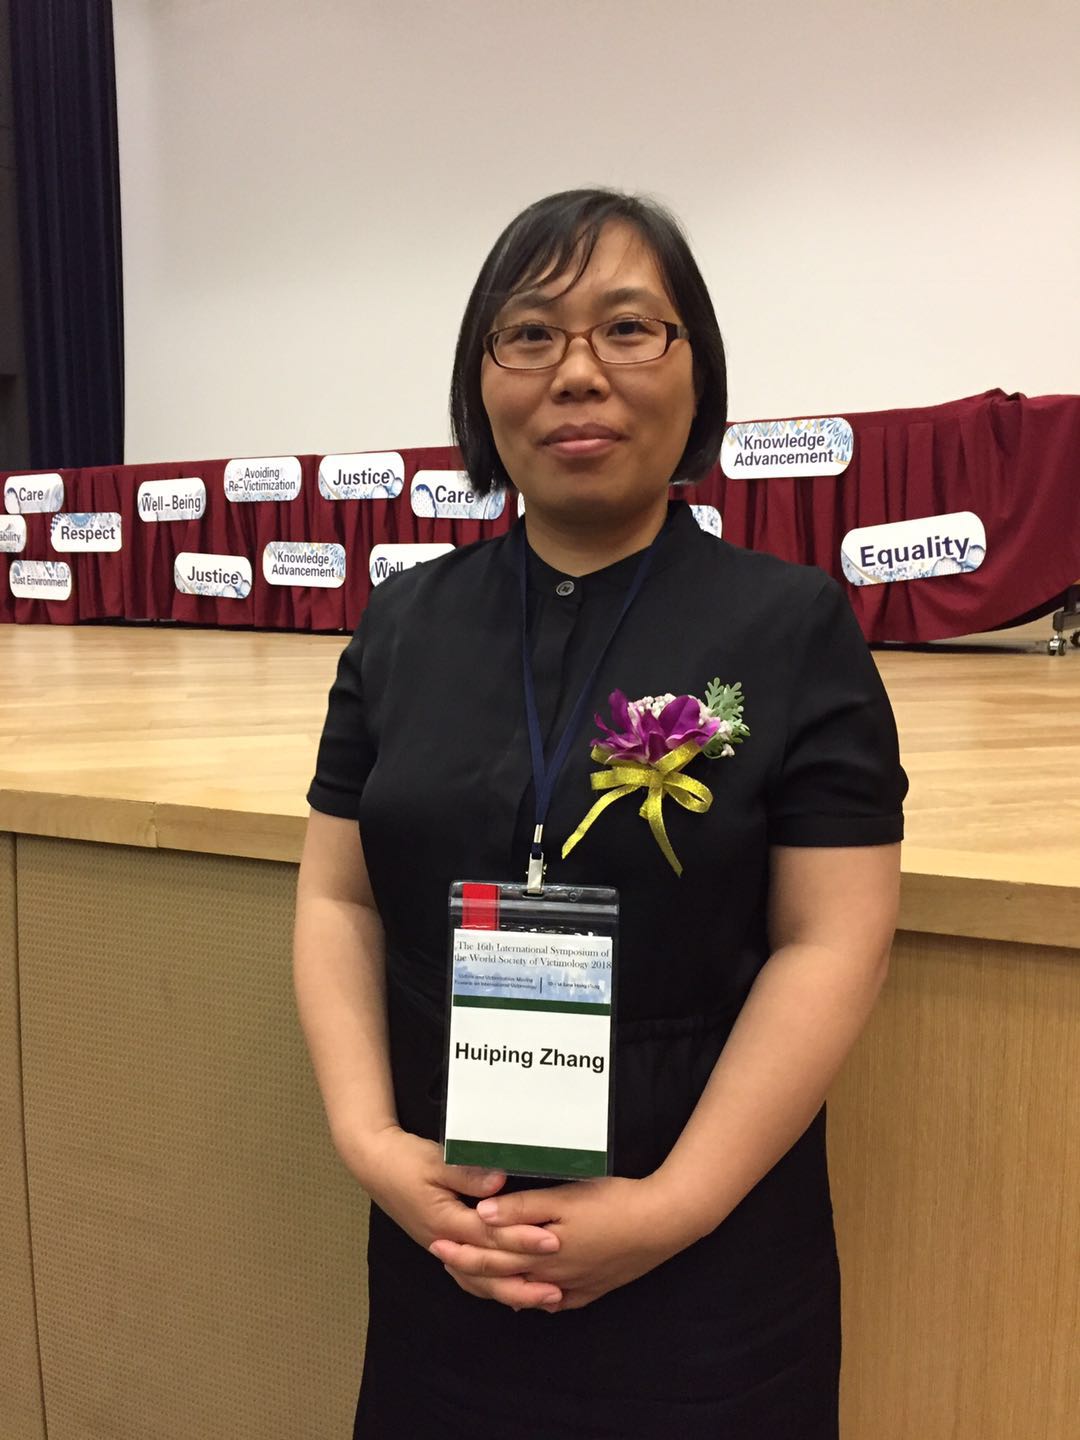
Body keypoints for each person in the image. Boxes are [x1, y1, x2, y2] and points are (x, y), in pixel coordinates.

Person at [294, 188, 907, 1438]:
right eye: (530, 333)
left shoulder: (792, 627)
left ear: (696, 370)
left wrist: (673, 1206)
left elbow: (832, 939)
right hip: (446, 1230)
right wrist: (369, 1143)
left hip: (706, 1256)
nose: (577, 372)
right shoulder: (403, 625)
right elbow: (338, 898)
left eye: (628, 328)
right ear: (481, 382)